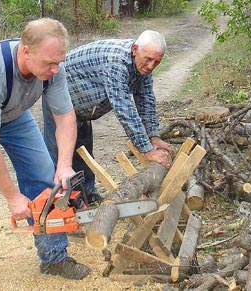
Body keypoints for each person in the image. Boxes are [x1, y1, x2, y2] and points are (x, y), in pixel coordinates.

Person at [0, 18, 90, 291]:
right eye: (49, 63)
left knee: (46, 177)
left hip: (13, 112)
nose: (55, 69)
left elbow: (65, 117)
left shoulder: (53, 68)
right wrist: (13, 197)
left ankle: (54, 258)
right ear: (26, 51)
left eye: (59, 62)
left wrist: (65, 166)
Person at [42, 30, 173, 204]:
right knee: (59, 158)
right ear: (135, 49)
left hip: (83, 109)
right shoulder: (116, 62)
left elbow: (146, 99)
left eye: (157, 61)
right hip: (61, 102)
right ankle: (59, 206)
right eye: (148, 59)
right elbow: (124, 108)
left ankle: (87, 195)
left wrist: (153, 137)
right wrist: (147, 150)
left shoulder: (143, 68)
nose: (151, 66)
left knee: (84, 153)